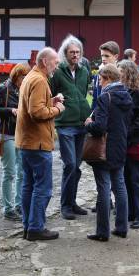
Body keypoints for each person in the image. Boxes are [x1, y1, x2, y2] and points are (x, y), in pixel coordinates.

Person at [16, 47, 65, 241]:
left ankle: (29, 226)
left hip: (26, 142)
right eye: (55, 61)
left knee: (29, 185)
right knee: (42, 187)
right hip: (37, 143)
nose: (57, 65)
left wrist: (50, 101)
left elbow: (32, 106)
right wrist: (58, 109)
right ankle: (36, 227)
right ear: (44, 62)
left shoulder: (31, 77)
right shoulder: (38, 80)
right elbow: (37, 113)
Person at [84, 64, 132, 242]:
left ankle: (102, 231)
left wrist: (89, 123)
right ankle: (121, 227)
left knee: (103, 188)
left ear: (108, 79)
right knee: (119, 186)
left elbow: (100, 127)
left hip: (104, 149)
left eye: (101, 79)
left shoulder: (106, 97)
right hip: (120, 146)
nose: (99, 83)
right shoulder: (126, 96)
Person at [51, 35, 91, 220]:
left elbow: (83, 92)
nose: (75, 55)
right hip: (65, 124)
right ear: (65, 54)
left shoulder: (84, 69)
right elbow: (50, 94)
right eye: (72, 52)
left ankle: (72, 202)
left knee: (77, 166)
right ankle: (65, 206)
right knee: (70, 165)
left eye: (78, 52)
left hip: (81, 123)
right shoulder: (58, 71)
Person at [0, 63, 31, 221]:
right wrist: (10, 111)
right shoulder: (4, 88)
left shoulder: (23, 89)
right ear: (16, 75)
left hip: (21, 134)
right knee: (9, 172)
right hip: (6, 135)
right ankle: (7, 208)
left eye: (27, 76)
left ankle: (19, 204)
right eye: (23, 77)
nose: (25, 79)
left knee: (21, 172)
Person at [118, 60, 139, 230]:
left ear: (128, 72)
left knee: (137, 179)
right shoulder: (125, 90)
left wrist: (128, 132)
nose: (119, 74)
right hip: (126, 142)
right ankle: (131, 212)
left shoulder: (138, 92)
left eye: (121, 71)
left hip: (136, 142)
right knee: (126, 178)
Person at [92, 41, 120, 110]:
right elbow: (95, 98)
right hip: (100, 116)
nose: (103, 59)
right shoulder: (99, 74)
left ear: (116, 57)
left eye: (107, 56)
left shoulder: (121, 74)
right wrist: (92, 115)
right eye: (102, 56)